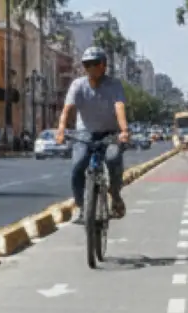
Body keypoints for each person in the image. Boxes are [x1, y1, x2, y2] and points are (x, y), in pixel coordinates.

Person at [55, 47, 131, 222]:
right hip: (85, 134)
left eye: (96, 63)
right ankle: (82, 207)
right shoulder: (78, 85)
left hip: (110, 133)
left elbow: (119, 107)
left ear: (104, 65)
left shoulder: (114, 85)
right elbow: (67, 110)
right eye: (87, 64)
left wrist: (124, 131)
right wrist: (61, 130)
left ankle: (115, 194)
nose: (91, 68)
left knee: (112, 160)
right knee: (78, 166)